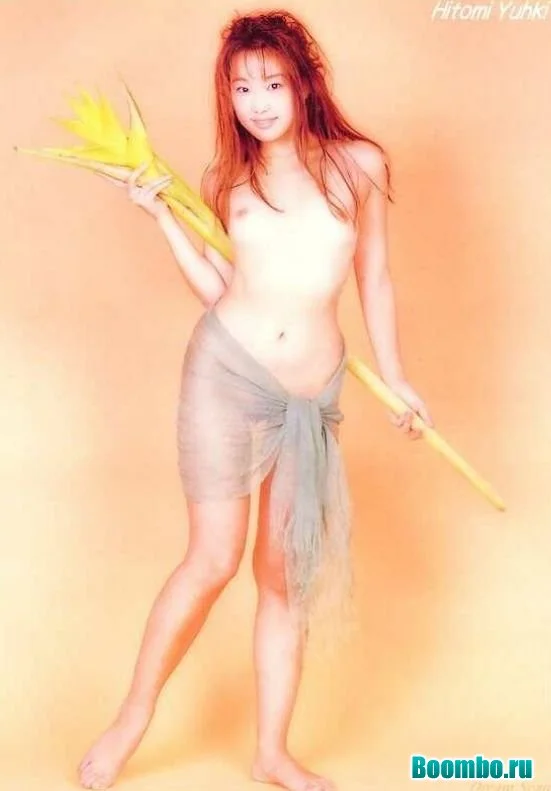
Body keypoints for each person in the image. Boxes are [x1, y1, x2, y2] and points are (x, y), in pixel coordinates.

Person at [77, 9, 434, 791]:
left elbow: (374, 277)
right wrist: (161, 217)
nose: (258, 102)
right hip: (226, 372)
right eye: (241, 88)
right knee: (212, 559)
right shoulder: (226, 180)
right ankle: (132, 715)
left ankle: (272, 752)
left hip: (311, 392)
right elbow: (220, 288)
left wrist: (396, 376)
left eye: (271, 83)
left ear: (303, 82)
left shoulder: (359, 165)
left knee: (281, 576)